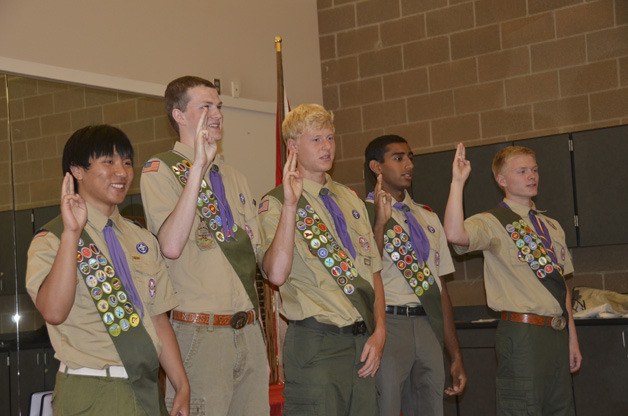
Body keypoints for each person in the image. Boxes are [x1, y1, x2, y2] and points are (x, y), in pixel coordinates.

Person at [25, 125, 189, 416]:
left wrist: (181, 385)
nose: (122, 172)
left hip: (146, 390)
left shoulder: (141, 239)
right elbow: (52, 311)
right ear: (77, 170)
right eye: (108, 162)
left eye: (127, 163)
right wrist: (72, 235)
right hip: (92, 390)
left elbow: (157, 319)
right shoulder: (52, 239)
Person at [140, 76, 268, 416]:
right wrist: (197, 168)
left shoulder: (235, 177)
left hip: (249, 331)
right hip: (201, 331)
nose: (217, 114)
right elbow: (170, 245)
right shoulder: (161, 170)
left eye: (219, 106)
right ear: (179, 115)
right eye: (205, 106)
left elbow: (259, 253)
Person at [259, 103, 386, 416]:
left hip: (362, 340)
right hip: (317, 343)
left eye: (330, 138)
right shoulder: (275, 204)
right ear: (292, 146)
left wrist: (380, 331)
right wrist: (291, 206)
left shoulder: (349, 198)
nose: (327, 146)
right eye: (316, 139)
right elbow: (275, 274)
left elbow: (373, 272)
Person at [444, 143, 582, 415]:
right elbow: (454, 234)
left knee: (561, 409)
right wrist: (457, 183)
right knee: (522, 409)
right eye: (522, 171)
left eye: (534, 170)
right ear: (502, 180)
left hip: (556, 332)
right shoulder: (493, 222)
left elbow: (561, 287)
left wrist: (572, 338)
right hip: (522, 334)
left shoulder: (551, 226)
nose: (532, 176)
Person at [364, 134, 467, 416]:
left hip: (427, 325)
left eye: (410, 157)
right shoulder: (361, 214)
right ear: (377, 167)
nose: (408, 164)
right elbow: (365, 270)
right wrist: (380, 224)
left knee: (430, 408)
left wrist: (455, 355)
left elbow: (440, 289)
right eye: (398, 158)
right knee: (386, 408)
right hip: (388, 324)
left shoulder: (428, 217)